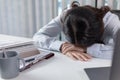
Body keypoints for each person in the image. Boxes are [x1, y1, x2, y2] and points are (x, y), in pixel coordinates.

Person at [33, 1, 120, 61]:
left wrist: (85, 48)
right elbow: (38, 37)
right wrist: (62, 45)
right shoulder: (66, 17)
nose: (76, 45)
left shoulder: (112, 21)